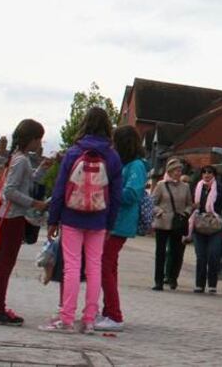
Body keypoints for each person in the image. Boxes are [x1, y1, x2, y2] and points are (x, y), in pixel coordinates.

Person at [42, 107, 123, 333]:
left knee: (71, 267)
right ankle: (89, 320)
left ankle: (66, 318)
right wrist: (110, 223)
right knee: (94, 267)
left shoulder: (73, 152)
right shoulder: (112, 156)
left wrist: (53, 219)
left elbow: (59, 189)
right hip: (99, 218)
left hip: (71, 215)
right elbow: (116, 195)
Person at [0, 120, 50, 326]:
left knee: (1, 263)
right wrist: (35, 203)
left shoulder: (18, 158)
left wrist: (43, 168)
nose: (40, 143)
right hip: (13, 216)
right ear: (31, 139)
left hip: (9, 215)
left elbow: (26, 182)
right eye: (39, 138)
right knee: (5, 263)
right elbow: (9, 191)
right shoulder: (21, 161)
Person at [95, 126, 148, 332]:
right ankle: (110, 311)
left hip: (120, 222)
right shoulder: (130, 164)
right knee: (109, 266)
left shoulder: (135, 166)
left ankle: (115, 315)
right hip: (117, 222)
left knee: (104, 266)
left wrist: (107, 192)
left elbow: (132, 194)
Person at [188, 165, 222, 294]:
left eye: (210, 172)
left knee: (213, 255)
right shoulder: (196, 188)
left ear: (214, 175)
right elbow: (189, 205)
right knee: (201, 256)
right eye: (204, 172)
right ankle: (199, 284)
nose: (207, 174)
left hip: (215, 226)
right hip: (199, 225)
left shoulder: (220, 189)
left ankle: (212, 284)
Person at [150, 159, 192, 291]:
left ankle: (173, 278)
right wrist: (159, 211)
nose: (178, 173)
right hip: (162, 222)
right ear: (170, 171)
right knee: (160, 253)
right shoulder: (161, 185)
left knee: (176, 252)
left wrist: (186, 213)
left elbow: (189, 204)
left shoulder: (185, 187)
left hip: (177, 223)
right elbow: (152, 202)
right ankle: (158, 281)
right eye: (176, 170)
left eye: (180, 170)